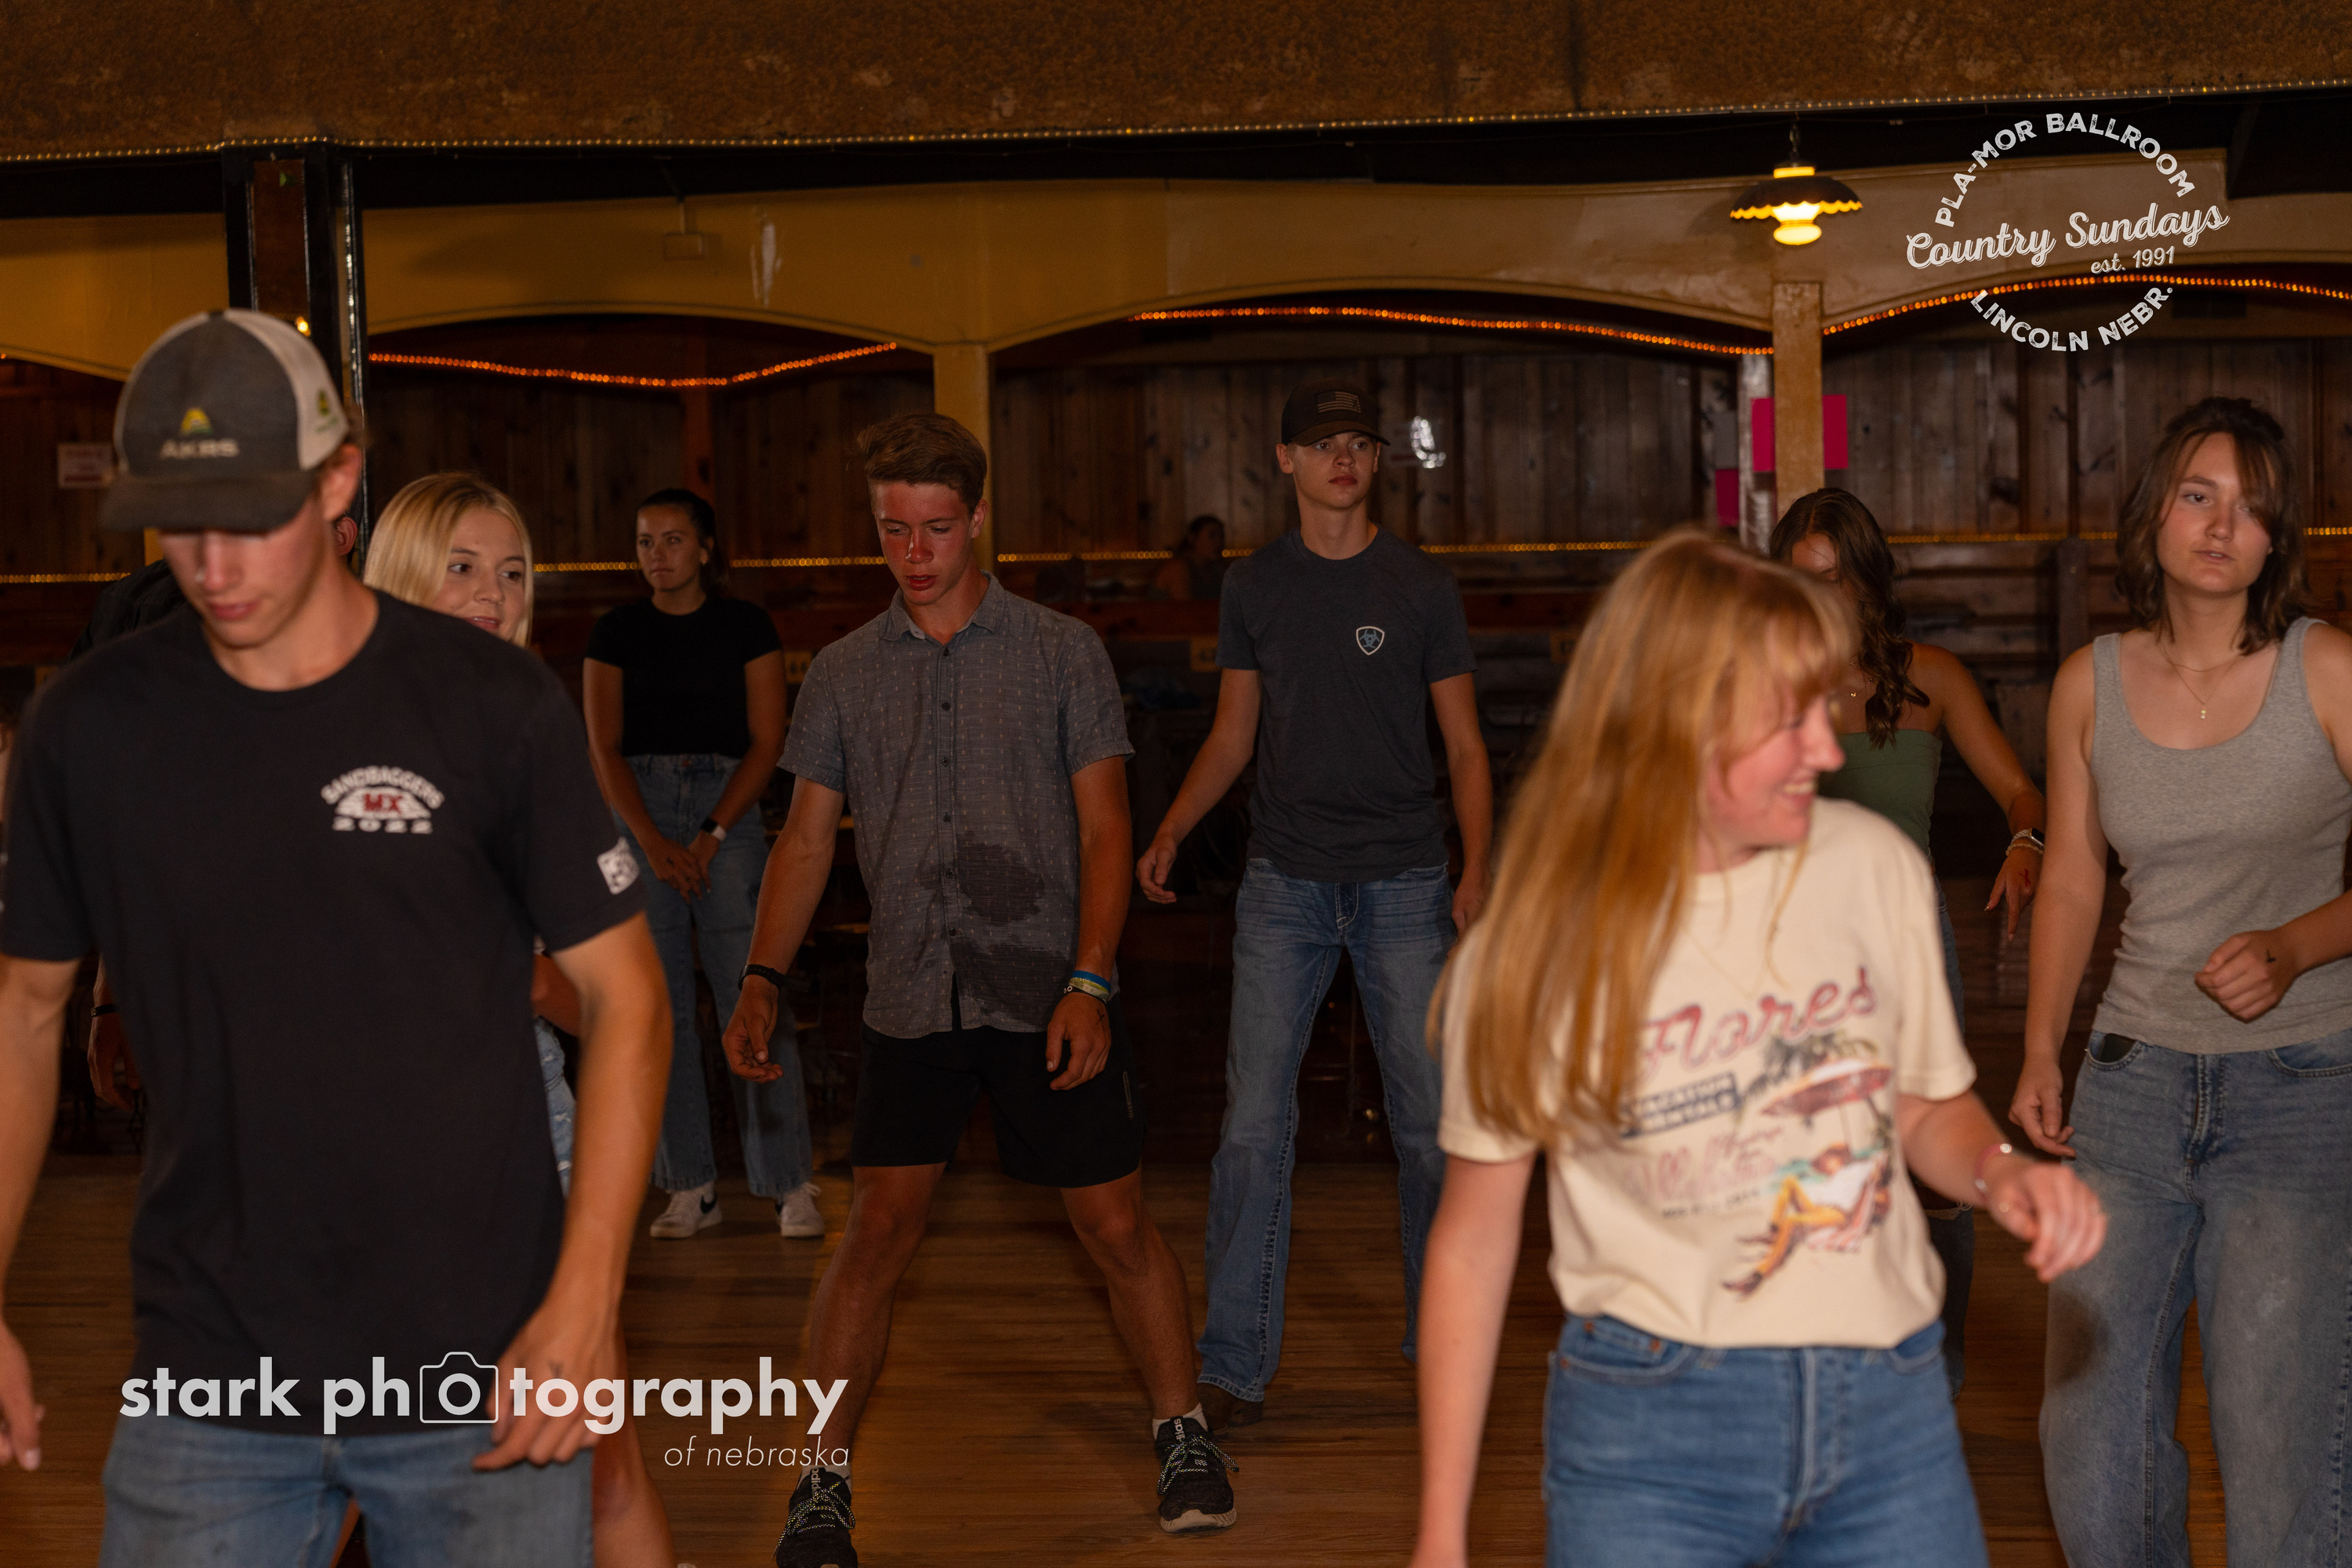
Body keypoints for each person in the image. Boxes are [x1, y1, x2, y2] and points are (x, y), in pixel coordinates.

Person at [0, 309, 667, 1563]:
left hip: (481, 1362)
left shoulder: (491, 705)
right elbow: (25, 1015)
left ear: (339, 481)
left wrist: (588, 1295)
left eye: (251, 518)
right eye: (180, 526)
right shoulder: (91, 728)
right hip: (212, 1376)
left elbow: (628, 995)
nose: (214, 565)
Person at [1409, 532, 2106, 1568]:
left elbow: (1920, 1103)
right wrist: (1441, 1531)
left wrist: (2002, 1172)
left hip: (1889, 1417)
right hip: (1651, 1435)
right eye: (1790, 719)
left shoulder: (1872, 867)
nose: (1827, 749)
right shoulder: (1538, 942)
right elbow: (1471, 1242)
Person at [722, 412, 1232, 1566]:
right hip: (911, 992)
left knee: (1114, 1224)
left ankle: (1183, 1430)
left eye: (937, 528)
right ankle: (820, 1483)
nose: (915, 553)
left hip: (1049, 987)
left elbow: (1106, 829)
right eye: (894, 530)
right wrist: (759, 975)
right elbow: (804, 840)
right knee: (875, 1234)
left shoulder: (1061, 652)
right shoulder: (842, 672)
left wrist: (1091, 978)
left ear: (979, 519)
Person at [2013, 397, 2352, 1567]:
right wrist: (2042, 1048)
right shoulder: (2089, 681)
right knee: (2087, 1435)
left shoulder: (2329, 670)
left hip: (2300, 1089)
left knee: (2278, 1439)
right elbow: (2072, 882)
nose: (2220, 526)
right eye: (2199, 495)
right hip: (2129, 1086)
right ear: (2154, 512)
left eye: (2251, 508)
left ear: (2277, 538)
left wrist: (2299, 943)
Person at [1135, 379, 1492, 1432]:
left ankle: (1446, 1351)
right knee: (1251, 1128)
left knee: (1430, 1133)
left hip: (1406, 882)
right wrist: (1171, 827)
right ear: (1286, 460)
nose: (1345, 457)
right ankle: (1234, 1364)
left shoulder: (1421, 585)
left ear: (1377, 461)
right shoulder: (1254, 585)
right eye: (1324, 442)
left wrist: (1479, 865)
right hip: (1284, 884)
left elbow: (1466, 747)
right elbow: (1232, 734)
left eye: (1360, 443)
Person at [363, 470, 677, 1568]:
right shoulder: (309, 739)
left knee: (601, 1459)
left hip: (523, 1138)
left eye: (511, 573)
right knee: (343, 1460)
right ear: (399, 572)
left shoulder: (533, 747)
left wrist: (505, 972)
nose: (492, 594)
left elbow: (610, 1004)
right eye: (462, 567)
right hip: (351, 1154)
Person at [1769, 486, 2049, 1395]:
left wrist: (2024, 842)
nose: (1817, 598)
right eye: (1799, 581)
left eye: (1833, 579)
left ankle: (1937, 1367)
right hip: (1800, 948)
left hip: (1908, 940)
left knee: (1934, 1160)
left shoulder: (1934, 676)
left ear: (1868, 578)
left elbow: (2021, 791)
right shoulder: (1766, 683)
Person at [583, 488, 819, 1242]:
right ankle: (689, 1185)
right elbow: (602, 748)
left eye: (673, 539)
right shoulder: (615, 630)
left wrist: (713, 832)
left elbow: (768, 740)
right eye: (645, 541)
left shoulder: (744, 625)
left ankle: (788, 1183)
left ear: (707, 549)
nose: (657, 555)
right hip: (638, 813)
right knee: (658, 1005)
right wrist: (651, 840)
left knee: (752, 985)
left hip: (731, 808)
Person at [1148, 514, 1228, 601]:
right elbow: (1186, 606)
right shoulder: (1178, 568)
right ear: (1193, 538)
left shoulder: (1215, 569)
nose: (1219, 543)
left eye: (1222, 536)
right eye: (1212, 536)